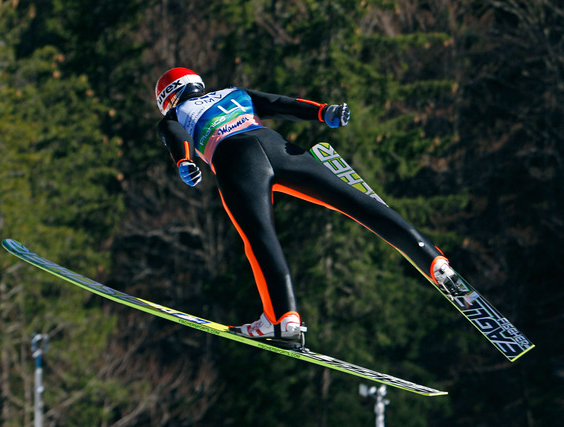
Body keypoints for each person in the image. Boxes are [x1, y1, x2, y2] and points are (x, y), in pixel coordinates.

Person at [155, 67, 464, 343]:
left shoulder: (176, 113)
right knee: (352, 199)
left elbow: (175, 132)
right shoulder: (235, 93)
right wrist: (324, 112)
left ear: (167, 99)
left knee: (260, 236)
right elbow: (282, 105)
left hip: (235, 158)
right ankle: (433, 260)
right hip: (277, 145)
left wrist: (185, 160)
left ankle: (282, 320)